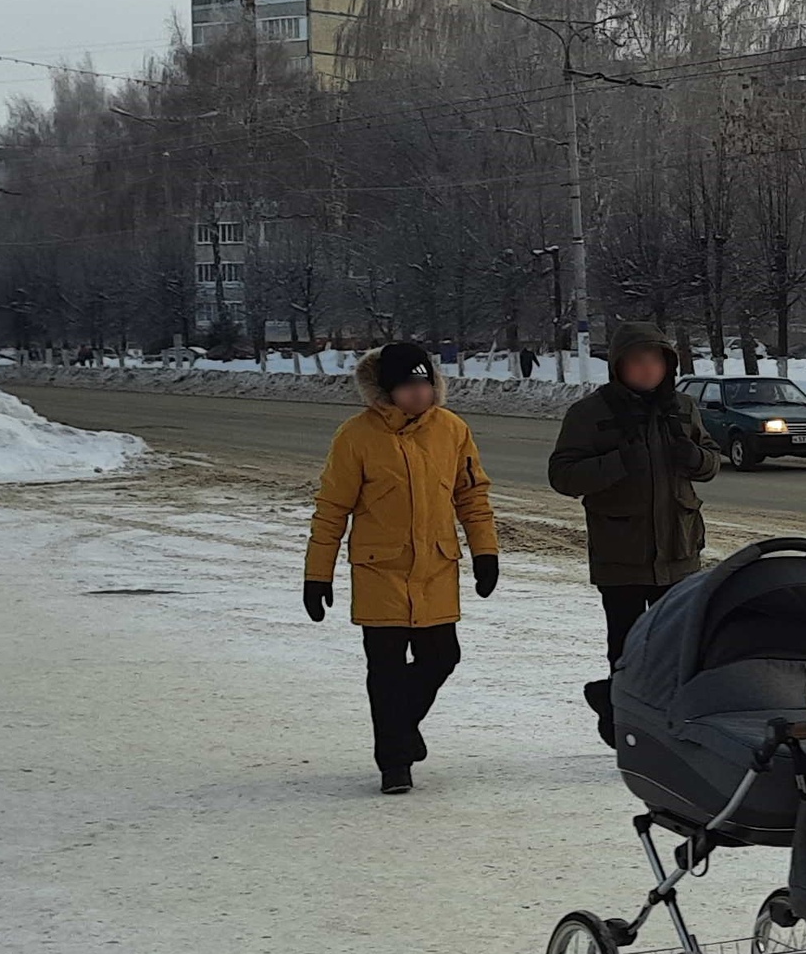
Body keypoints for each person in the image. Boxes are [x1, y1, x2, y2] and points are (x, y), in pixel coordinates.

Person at [303, 342, 500, 795]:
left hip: (435, 567)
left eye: (425, 384)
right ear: (387, 390)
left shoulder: (452, 430)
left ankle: (401, 730)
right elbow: (332, 509)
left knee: (442, 657)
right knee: (386, 670)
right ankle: (394, 763)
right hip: (380, 571)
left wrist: (485, 552)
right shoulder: (356, 436)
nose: (419, 394)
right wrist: (318, 574)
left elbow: (471, 496)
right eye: (408, 386)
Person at [547, 323, 720, 744]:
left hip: (679, 551)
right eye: (637, 361)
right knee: (626, 649)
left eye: (655, 360)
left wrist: (693, 455)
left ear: (667, 365)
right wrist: (617, 462)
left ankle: (667, 729)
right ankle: (623, 723)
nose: (647, 369)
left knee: (677, 652)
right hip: (620, 552)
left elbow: (712, 463)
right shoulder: (591, 413)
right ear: (619, 366)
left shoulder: (681, 408)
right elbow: (563, 476)